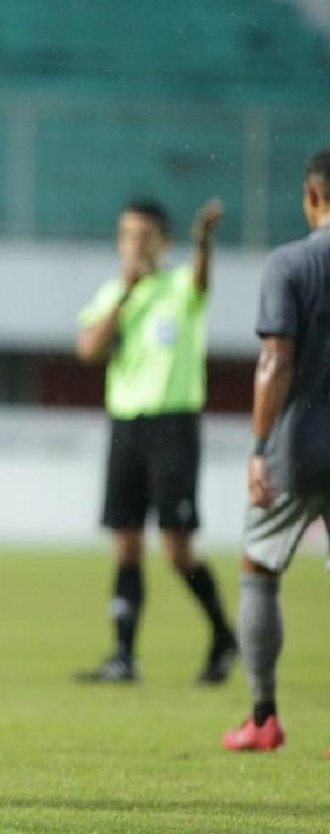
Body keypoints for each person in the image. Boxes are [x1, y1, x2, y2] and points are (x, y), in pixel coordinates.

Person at [74, 196, 233, 685]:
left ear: (165, 243)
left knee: (176, 548)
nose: (134, 245)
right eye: (127, 235)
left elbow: (202, 280)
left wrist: (204, 243)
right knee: (125, 543)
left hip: (173, 424)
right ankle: (124, 656)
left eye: (144, 236)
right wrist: (124, 295)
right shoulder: (114, 294)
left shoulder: (179, 286)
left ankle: (224, 636)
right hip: (127, 424)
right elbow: (88, 350)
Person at [221, 148, 330, 752]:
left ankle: (263, 717)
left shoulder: (289, 264)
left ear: (312, 196)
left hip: (300, 447)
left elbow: (277, 359)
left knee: (259, 568)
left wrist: (259, 447)